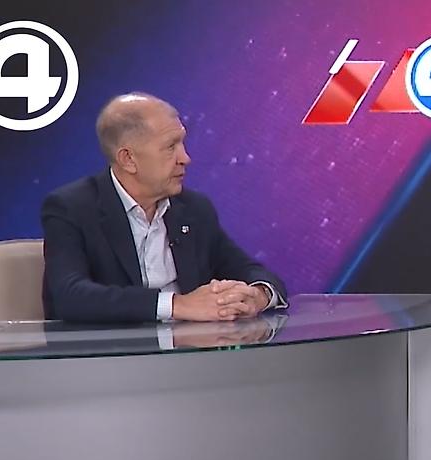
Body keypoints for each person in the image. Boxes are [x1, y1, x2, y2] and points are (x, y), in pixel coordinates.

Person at [41, 93, 286, 323]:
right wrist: (177, 305)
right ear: (128, 159)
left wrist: (258, 295)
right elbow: (69, 297)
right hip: (112, 353)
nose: (185, 158)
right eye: (171, 147)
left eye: (182, 143)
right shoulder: (71, 208)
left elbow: (248, 270)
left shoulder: (194, 209)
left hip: (192, 350)